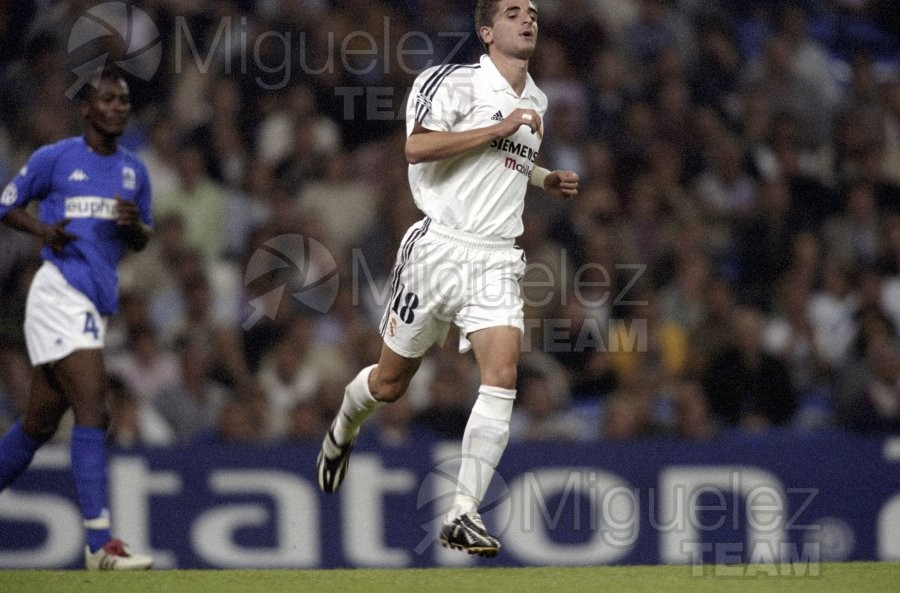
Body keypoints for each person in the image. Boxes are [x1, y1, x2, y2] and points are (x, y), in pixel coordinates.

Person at [316, 0, 579, 557]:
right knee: (389, 385)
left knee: (503, 373)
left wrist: (542, 177)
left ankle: (463, 511)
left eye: (532, 10)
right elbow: (417, 147)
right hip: (438, 248)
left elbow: (505, 156)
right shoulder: (450, 83)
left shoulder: (537, 98)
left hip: (496, 258)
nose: (527, 18)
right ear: (486, 31)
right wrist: (499, 127)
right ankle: (345, 422)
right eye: (512, 12)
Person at [0, 68, 154, 570]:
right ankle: (100, 544)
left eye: (124, 100)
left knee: (38, 423)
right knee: (95, 409)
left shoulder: (134, 171)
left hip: (95, 300)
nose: (118, 107)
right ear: (85, 108)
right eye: (107, 99)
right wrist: (43, 231)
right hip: (58, 292)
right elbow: (6, 204)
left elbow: (142, 237)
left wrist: (136, 228)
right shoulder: (55, 158)